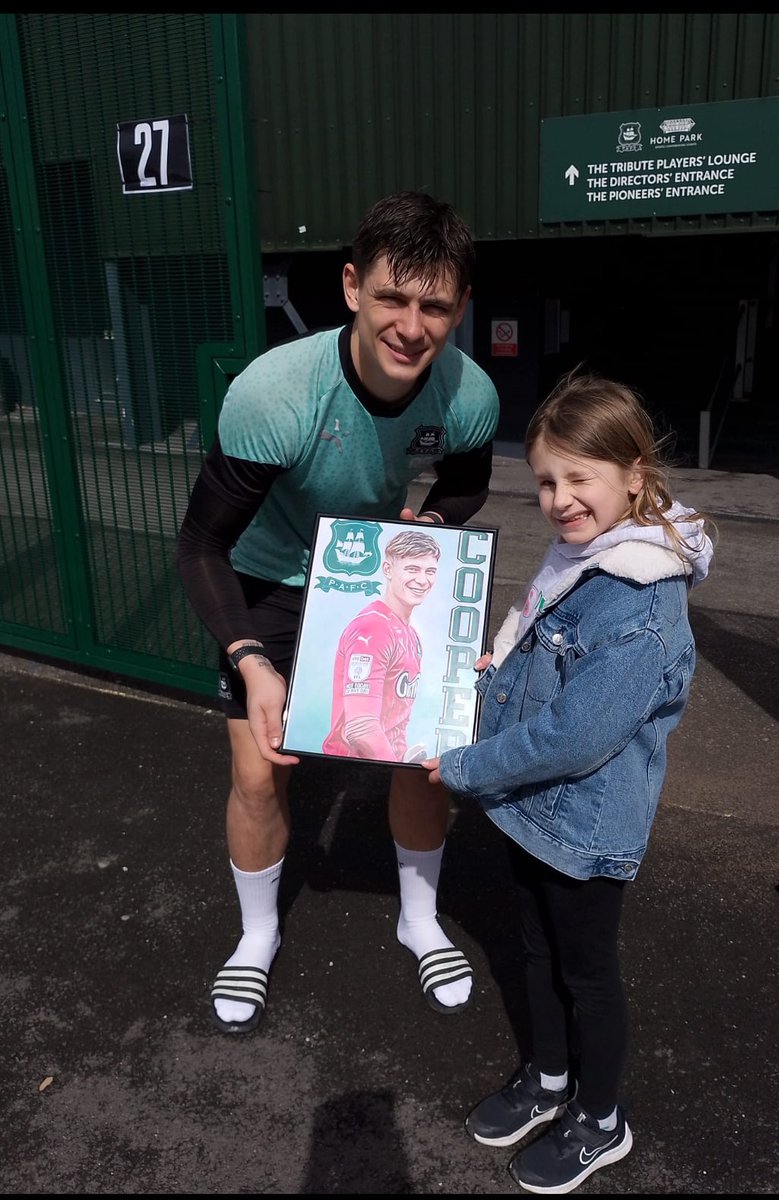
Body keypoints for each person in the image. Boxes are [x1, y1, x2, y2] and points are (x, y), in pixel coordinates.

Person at [175, 190, 499, 1034]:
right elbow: (200, 547)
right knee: (259, 769)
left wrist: (422, 529)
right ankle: (256, 935)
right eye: (392, 297)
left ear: (459, 307)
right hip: (271, 577)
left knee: (418, 753)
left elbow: (465, 485)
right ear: (353, 287)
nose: (411, 325)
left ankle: (417, 917)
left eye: (434, 305)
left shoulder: (468, 394)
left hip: (376, 571)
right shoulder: (276, 394)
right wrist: (250, 658)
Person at [421, 368, 714, 1194]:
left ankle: (600, 1118)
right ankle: (548, 1079)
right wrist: (489, 673)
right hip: (531, 814)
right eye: (545, 480)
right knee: (534, 948)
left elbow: (576, 738)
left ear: (635, 478)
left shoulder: (640, 603)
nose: (559, 498)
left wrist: (461, 765)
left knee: (585, 970)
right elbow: (538, 658)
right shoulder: (579, 559)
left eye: (579, 478)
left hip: (583, 826)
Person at [322, 528, 441, 762]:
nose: (422, 580)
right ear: (388, 570)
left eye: (430, 571)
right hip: (354, 766)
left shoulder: (410, 634)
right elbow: (360, 728)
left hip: (383, 763)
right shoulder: (374, 628)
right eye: (412, 569)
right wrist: (398, 770)